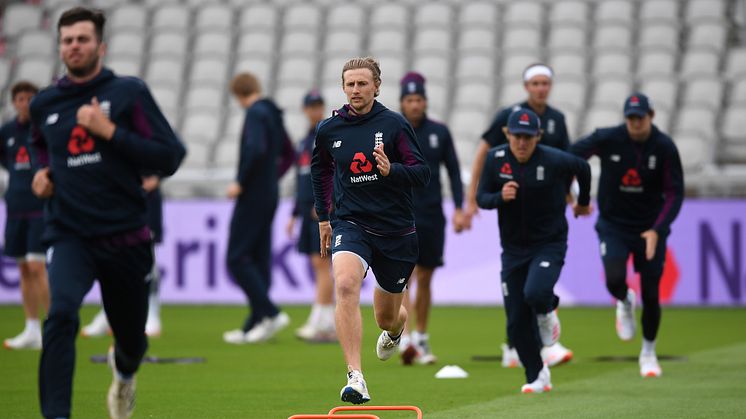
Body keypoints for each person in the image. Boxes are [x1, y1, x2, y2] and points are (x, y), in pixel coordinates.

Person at [29, 7, 186, 419]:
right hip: (69, 233)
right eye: (66, 40)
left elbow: (171, 156)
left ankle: (125, 371)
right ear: (59, 46)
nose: (73, 46)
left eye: (82, 39)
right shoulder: (46, 103)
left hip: (125, 235)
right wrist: (41, 173)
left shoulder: (128, 93)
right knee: (61, 315)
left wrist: (109, 131)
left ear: (101, 46)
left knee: (132, 341)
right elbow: (39, 146)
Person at [311, 57, 430, 404]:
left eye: (363, 83)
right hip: (351, 223)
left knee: (387, 318)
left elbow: (421, 172)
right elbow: (319, 170)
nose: (356, 90)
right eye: (350, 84)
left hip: (395, 230)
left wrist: (392, 169)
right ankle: (355, 377)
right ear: (343, 87)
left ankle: (396, 329)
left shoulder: (394, 125)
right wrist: (324, 217)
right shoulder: (329, 130)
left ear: (377, 86)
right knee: (345, 284)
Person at [466, 63, 574, 368]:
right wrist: (472, 197)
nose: (540, 88)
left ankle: (533, 343)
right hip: (515, 210)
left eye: (545, 83)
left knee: (533, 283)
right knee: (517, 283)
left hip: (546, 212)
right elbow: (483, 154)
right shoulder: (508, 116)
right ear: (526, 86)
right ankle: (518, 343)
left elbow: (568, 163)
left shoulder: (557, 120)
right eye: (535, 83)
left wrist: (571, 197)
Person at [476, 108, 591, 393]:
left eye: (528, 137)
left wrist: (582, 201)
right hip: (513, 249)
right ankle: (537, 375)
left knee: (535, 293)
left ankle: (548, 308)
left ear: (538, 136)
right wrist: (499, 197)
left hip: (549, 242)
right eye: (517, 136)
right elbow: (481, 198)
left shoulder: (552, 159)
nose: (522, 142)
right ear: (507, 134)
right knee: (515, 324)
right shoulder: (496, 159)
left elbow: (583, 167)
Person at [570, 93, 684, 378]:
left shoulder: (664, 147)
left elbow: (674, 192)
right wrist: (576, 195)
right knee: (614, 279)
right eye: (630, 117)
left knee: (652, 293)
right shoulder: (609, 138)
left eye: (640, 117)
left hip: (649, 228)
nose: (635, 123)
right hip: (613, 224)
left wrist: (658, 229)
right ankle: (623, 300)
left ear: (651, 116)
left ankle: (648, 351)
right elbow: (569, 157)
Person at [396, 72, 466, 365]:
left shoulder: (440, 132)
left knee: (425, 277)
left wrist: (460, 208)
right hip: (399, 214)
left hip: (431, 215)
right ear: (402, 103)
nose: (415, 105)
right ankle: (406, 338)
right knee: (403, 278)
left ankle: (421, 336)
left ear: (425, 102)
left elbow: (452, 171)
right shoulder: (392, 131)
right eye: (410, 100)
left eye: (419, 99)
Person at [222, 72, 295, 345]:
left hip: (252, 194)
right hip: (269, 194)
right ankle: (254, 323)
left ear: (239, 94)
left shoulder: (254, 113)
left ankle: (270, 313)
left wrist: (241, 182)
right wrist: (272, 177)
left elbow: (254, 148)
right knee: (259, 257)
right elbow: (288, 153)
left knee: (237, 257)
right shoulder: (273, 113)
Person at [80, 174, 165, 338]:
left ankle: (151, 313)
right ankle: (109, 313)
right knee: (112, 256)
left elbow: (175, 150)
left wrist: (157, 175)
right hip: (116, 195)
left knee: (148, 258)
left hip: (145, 198)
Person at [0, 81, 49, 350]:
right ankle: (32, 328)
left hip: (39, 208)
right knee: (22, 268)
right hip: (15, 207)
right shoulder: (6, 132)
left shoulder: (43, 129)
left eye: (30, 98)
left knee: (36, 266)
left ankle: (54, 325)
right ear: (14, 101)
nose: (25, 103)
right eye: (20, 98)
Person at [287, 90, 336, 343]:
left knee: (322, 263)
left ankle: (323, 319)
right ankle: (323, 317)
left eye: (319, 106)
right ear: (305, 110)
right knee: (317, 264)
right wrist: (293, 214)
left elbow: (334, 175)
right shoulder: (304, 142)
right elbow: (301, 180)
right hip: (306, 210)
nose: (315, 111)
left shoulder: (327, 137)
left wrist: (326, 205)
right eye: (311, 107)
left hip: (320, 211)